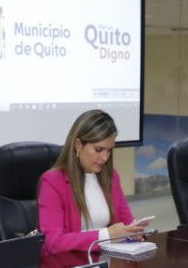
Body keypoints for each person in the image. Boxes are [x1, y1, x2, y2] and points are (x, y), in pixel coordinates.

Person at [38, 109, 145, 255]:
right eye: (99, 149)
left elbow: (126, 220)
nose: (105, 158)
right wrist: (106, 235)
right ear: (78, 145)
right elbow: (53, 242)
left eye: (109, 150)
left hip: (105, 262)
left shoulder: (111, 176)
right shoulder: (53, 182)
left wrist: (133, 230)